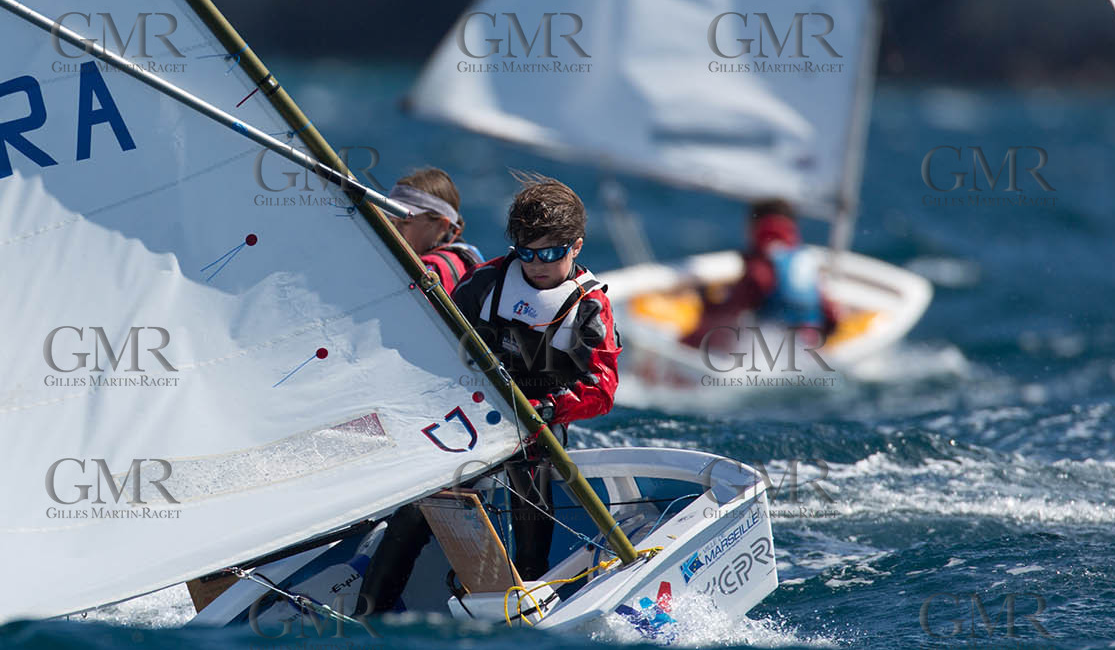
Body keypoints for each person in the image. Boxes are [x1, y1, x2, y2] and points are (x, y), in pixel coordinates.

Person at [357, 174, 621, 612]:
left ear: (575, 246)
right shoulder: (485, 284)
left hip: (538, 428)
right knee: (414, 514)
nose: (536, 264)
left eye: (550, 254)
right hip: (467, 418)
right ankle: (370, 611)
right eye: (526, 252)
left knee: (530, 497)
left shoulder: (589, 306)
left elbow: (602, 390)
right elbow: (431, 348)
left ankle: (531, 596)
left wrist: (547, 408)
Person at [680, 198, 841, 350]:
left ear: (754, 226)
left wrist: (706, 302)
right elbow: (830, 317)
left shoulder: (762, 265)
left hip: (772, 356)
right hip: (808, 349)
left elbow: (726, 315)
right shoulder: (805, 260)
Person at [386, 167, 483, 291]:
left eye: (405, 222)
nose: (393, 230)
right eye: (391, 221)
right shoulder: (466, 261)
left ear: (442, 225)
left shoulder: (431, 269)